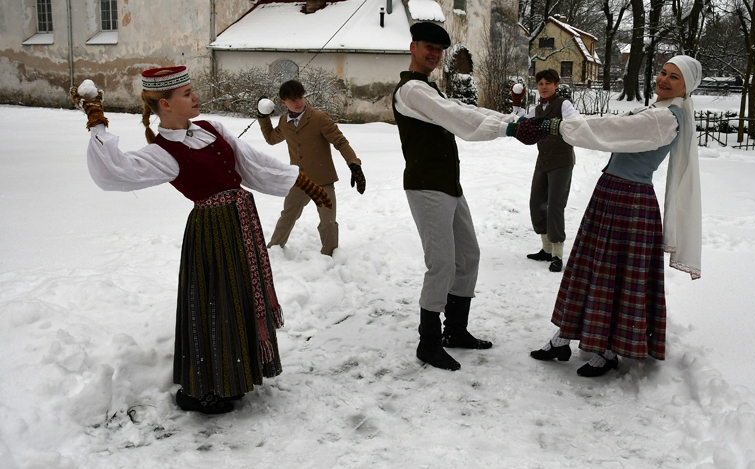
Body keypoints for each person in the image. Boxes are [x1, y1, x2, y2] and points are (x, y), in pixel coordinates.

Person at [72, 66, 332, 414]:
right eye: (186, 94)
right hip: (212, 232)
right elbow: (114, 171)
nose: (196, 97)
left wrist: (301, 180)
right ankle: (210, 387)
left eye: (193, 91)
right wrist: (97, 121)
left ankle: (237, 376)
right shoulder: (163, 152)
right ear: (164, 104)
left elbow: (250, 161)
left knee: (240, 297)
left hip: (241, 222)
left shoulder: (212, 129)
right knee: (217, 303)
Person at [514, 55, 703, 377]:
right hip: (610, 193)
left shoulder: (665, 119)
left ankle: (611, 349)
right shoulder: (651, 111)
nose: (664, 80)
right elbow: (609, 122)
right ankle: (564, 337)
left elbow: (611, 129)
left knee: (615, 275)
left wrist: (557, 124)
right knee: (588, 268)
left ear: (687, 89)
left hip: (631, 202)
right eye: (662, 72)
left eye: (675, 78)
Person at [393, 22, 547, 371]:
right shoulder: (412, 91)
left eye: (439, 49)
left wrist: (512, 120)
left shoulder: (429, 89)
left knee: (468, 255)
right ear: (413, 47)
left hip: (448, 184)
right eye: (428, 47)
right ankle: (428, 341)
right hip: (426, 186)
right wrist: (508, 128)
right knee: (442, 263)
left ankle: (456, 329)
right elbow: (457, 117)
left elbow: (471, 111)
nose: (434, 54)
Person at [257, 79, 365, 256]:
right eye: (293, 100)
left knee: (328, 222)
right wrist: (263, 117)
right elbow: (271, 139)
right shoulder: (285, 122)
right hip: (299, 181)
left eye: (300, 97)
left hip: (322, 180)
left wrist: (354, 164)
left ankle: (330, 257)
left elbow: (340, 141)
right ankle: (273, 251)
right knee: (287, 216)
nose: (298, 102)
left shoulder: (319, 118)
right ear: (283, 102)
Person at [511, 69, 576, 272]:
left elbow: (574, 124)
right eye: (540, 83)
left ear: (556, 85)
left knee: (555, 206)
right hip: (543, 161)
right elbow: (520, 122)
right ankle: (546, 249)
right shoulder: (537, 109)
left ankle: (557, 255)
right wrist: (516, 103)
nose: (544, 87)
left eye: (548, 83)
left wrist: (553, 124)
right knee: (536, 203)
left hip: (562, 160)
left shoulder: (563, 104)